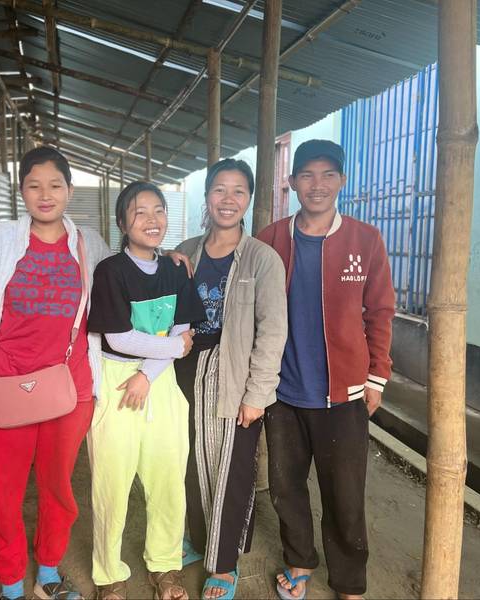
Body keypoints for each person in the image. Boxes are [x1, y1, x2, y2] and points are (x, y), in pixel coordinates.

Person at [0, 146, 112, 600]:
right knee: (5, 494)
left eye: (55, 185)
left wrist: (169, 260)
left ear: (70, 190)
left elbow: (126, 279)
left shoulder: (90, 244)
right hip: (4, 386)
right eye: (35, 186)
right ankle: (11, 586)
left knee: (58, 490)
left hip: (70, 390)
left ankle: (49, 576)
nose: (45, 194)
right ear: (21, 191)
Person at [256, 140, 395, 600]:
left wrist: (376, 378)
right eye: (307, 175)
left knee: (345, 495)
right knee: (285, 486)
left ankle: (349, 583)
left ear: (342, 181)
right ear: (292, 182)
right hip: (283, 392)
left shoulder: (365, 240)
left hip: (344, 393)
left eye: (328, 175)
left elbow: (380, 311)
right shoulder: (271, 239)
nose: (317, 185)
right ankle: (299, 561)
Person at [172, 159, 288, 600]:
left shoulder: (262, 258)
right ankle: (200, 538)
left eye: (239, 191)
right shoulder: (186, 250)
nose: (228, 199)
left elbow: (273, 330)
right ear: (207, 196)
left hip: (234, 372)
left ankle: (223, 563)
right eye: (219, 189)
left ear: (249, 199)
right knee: (191, 460)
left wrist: (257, 394)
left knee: (232, 466)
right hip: (186, 369)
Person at [86, 181, 205, 600]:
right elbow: (118, 336)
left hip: (160, 382)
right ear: (122, 223)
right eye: (140, 212)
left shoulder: (175, 270)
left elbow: (183, 326)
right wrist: (172, 348)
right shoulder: (110, 271)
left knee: (168, 480)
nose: (152, 220)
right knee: (111, 483)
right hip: (116, 381)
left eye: (159, 210)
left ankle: (165, 566)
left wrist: (148, 375)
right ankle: (109, 574)